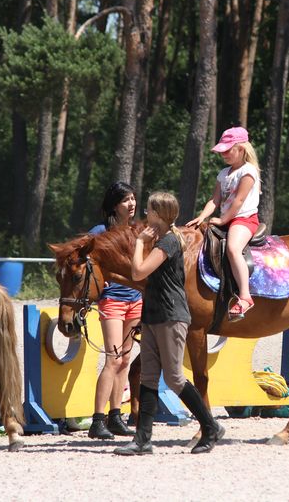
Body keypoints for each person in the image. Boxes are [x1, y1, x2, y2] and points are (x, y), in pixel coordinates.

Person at [115, 191, 224, 455]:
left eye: (150, 210)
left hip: (171, 315)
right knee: (149, 376)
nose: (145, 214)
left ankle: (210, 427)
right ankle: (143, 440)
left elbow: (138, 271)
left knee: (174, 377)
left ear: (160, 214)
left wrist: (140, 242)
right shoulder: (160, 240)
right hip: (153, 315)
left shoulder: (169, 242)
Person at [186, 126, 260, 320]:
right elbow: (215, 200)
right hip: (227, 219)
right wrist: (202, 217)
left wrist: (223, 219)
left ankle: (245, 296)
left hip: (244, 219)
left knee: (233, 248)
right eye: (222, 151)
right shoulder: (224, 173)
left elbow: (239, 201)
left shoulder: (248, 171)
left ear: (241, 149)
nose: (223, 154)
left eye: (228, 150)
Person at [85, 182, 139, 439]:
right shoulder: (99, 232)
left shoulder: (137, 231)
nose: (132, 204)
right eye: (126, 200)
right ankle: (98, 420)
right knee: (113, 359)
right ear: (114, 205)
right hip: (112, 301)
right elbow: (83, 264)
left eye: (133, 199)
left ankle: (116, 416)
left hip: (136, 301)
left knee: (125, 360)